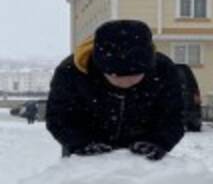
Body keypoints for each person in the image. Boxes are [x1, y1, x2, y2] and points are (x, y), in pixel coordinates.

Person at [46, 19, 184, 160]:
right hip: (85, 152)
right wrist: (81, 143)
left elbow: (173, 116)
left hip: (142, 155)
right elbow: (60, 117)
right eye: (117, 76)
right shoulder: (71, 72)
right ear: (101, 68)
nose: (126, 83)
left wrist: (158, 142)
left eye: (135, 75)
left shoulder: (164, 70)